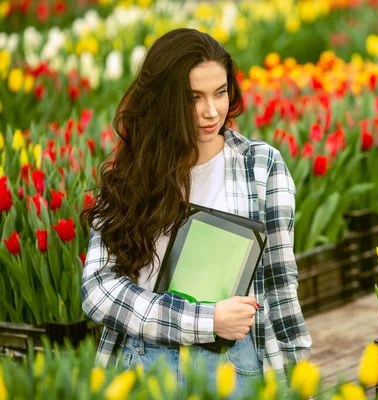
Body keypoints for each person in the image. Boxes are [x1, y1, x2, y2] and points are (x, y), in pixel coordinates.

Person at [79, 28, 312, 397]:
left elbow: (280, 290)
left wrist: (299, 386)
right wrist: (206, 320)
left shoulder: (261, 166)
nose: (211, 111)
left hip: (232, 366)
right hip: (145, 362)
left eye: (220, 92)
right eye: (193, 98)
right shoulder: (134, 174)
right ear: (164, 102)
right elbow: (98, 290)